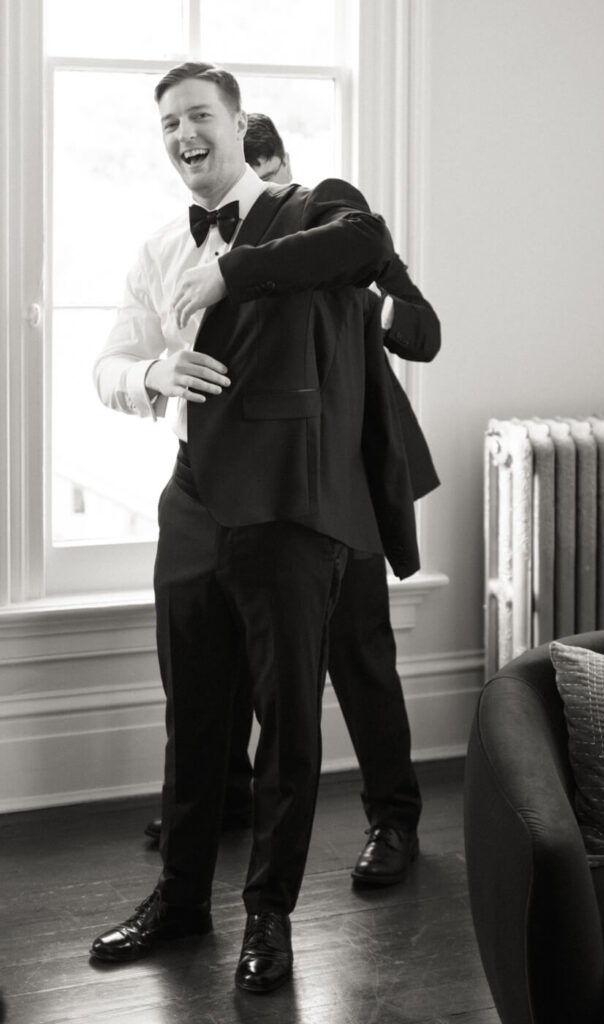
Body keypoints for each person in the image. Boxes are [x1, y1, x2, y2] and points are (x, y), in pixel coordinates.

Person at [88, 61, 414, 994]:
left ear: (237, 124)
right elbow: (108, 362)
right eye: (169, 125)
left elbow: (367, 243)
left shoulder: (306, 210)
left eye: (200, 117)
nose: (185, 136)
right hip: (191, 499)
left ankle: (268, 917)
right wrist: (152, 378)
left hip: (289, 503)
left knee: (288, 724)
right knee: (193, 715)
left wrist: (232, 272)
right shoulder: (157, 247)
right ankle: (182, 899)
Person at [143, 112, 441, 888]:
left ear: (274, 162)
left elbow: (424, 332)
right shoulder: (203, 251)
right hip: (257, 482)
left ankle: (393, 819)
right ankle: (229, 796)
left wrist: (359, 307)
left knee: (359, 653)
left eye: (271, 178)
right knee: (244, 649)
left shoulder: (323, 219)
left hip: (344, 477)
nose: (265, 204)